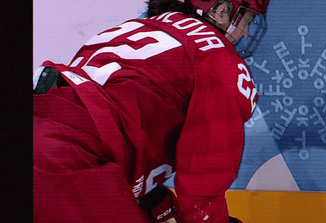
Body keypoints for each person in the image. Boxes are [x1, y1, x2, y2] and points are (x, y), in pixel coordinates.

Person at [33, 0, 270, 222]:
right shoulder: (217, 56)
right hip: (69, 165)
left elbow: (102, 117)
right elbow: (203, 184)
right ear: (221, 12)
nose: (245, 33)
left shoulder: (132, 28)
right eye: (247, 20)